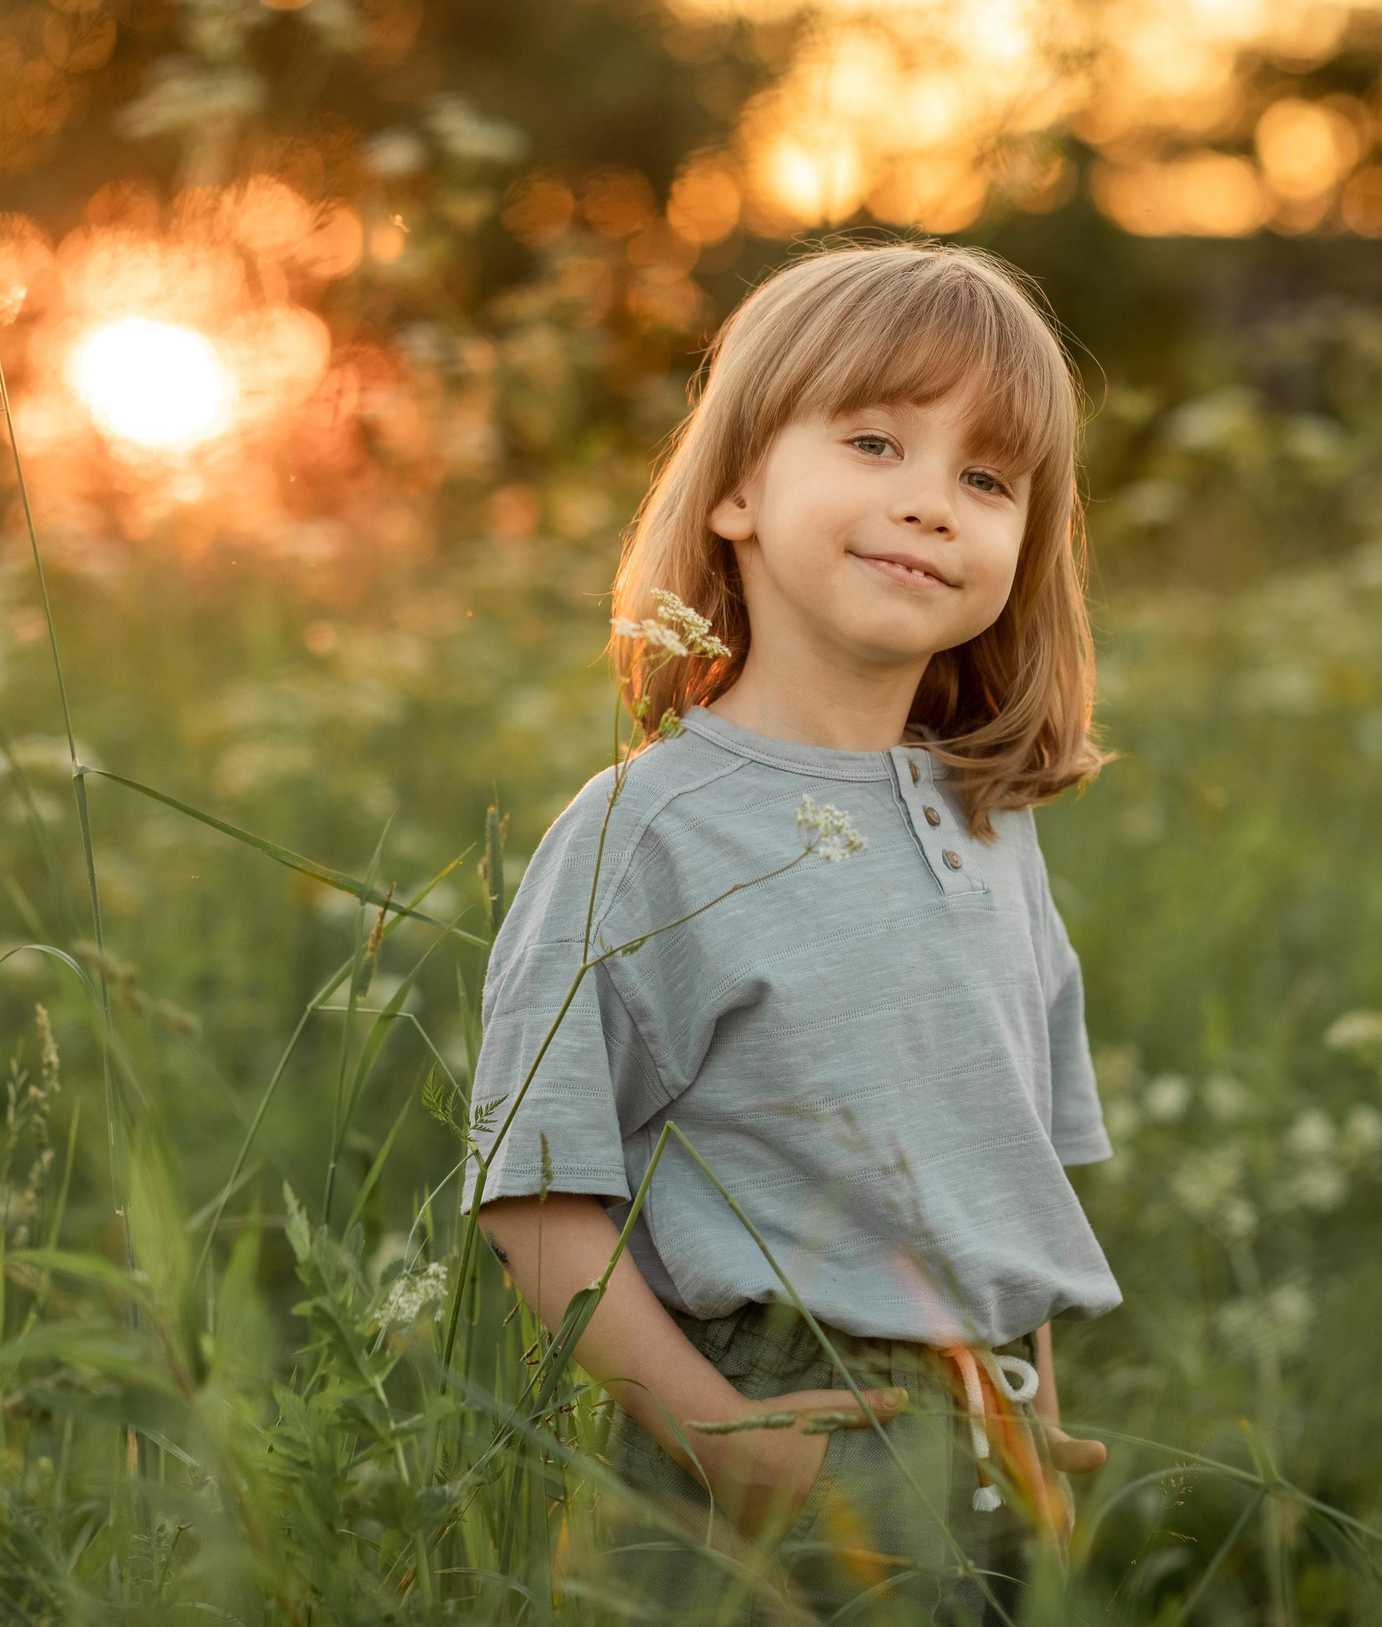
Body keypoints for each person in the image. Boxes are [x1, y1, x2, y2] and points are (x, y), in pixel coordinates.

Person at [459, 237, 1120, 1625]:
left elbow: (1007, 1181)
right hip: (779, 1406)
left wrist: (1034, 1418)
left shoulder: (992, 820)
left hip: (988, 1419)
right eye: (876, 440)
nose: (932, 504)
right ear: (743, 489)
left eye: (986, 479)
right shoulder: (648, 830)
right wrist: (713, 1433)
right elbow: (531, 1188)